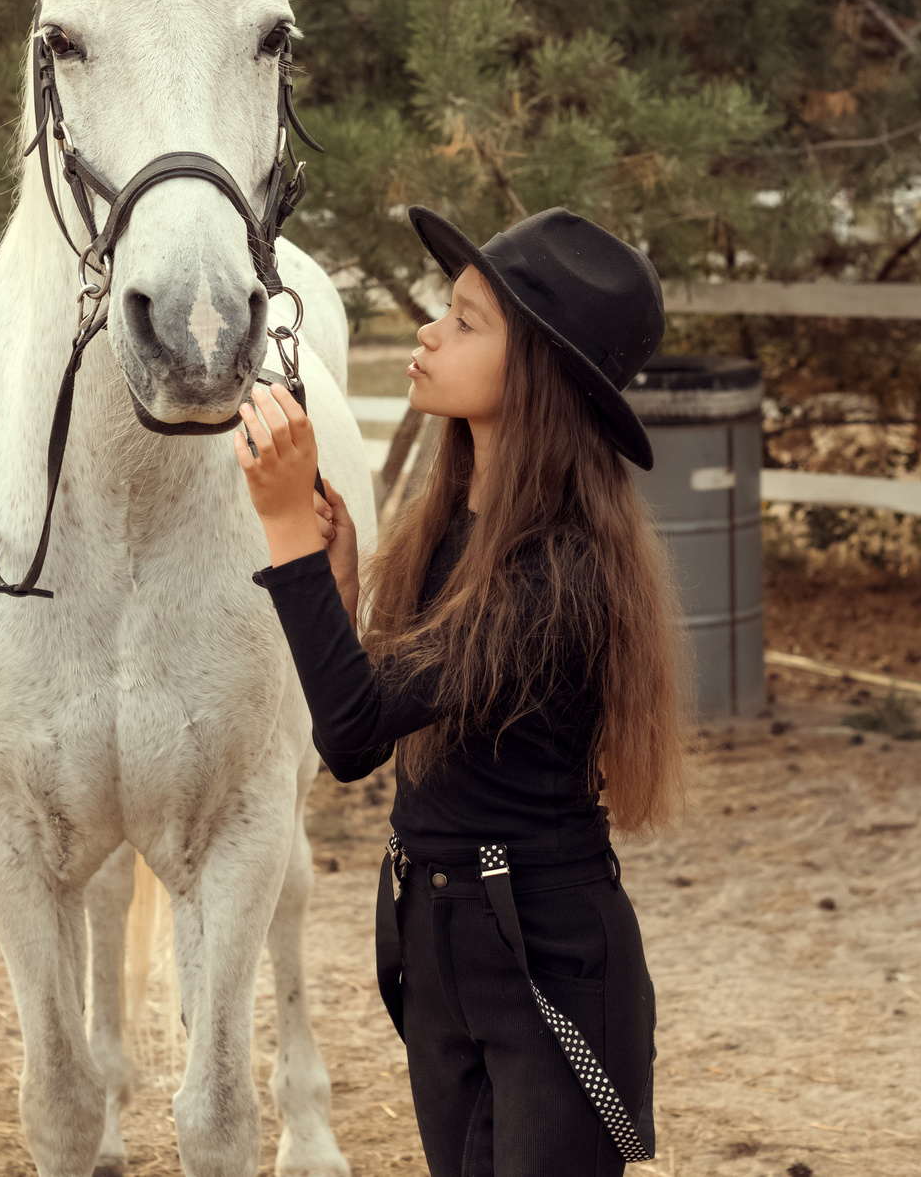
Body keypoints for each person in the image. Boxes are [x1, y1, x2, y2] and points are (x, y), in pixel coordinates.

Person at [233, 204, 686, 1177]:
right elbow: (352, 747)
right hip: (435, 932)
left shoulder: (559, 571)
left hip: (544, 956)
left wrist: (281, 530)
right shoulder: (451, 527)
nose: (431, 331)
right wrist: (339, 586)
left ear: (538, 376)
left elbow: (351, 719)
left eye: (468, 320)